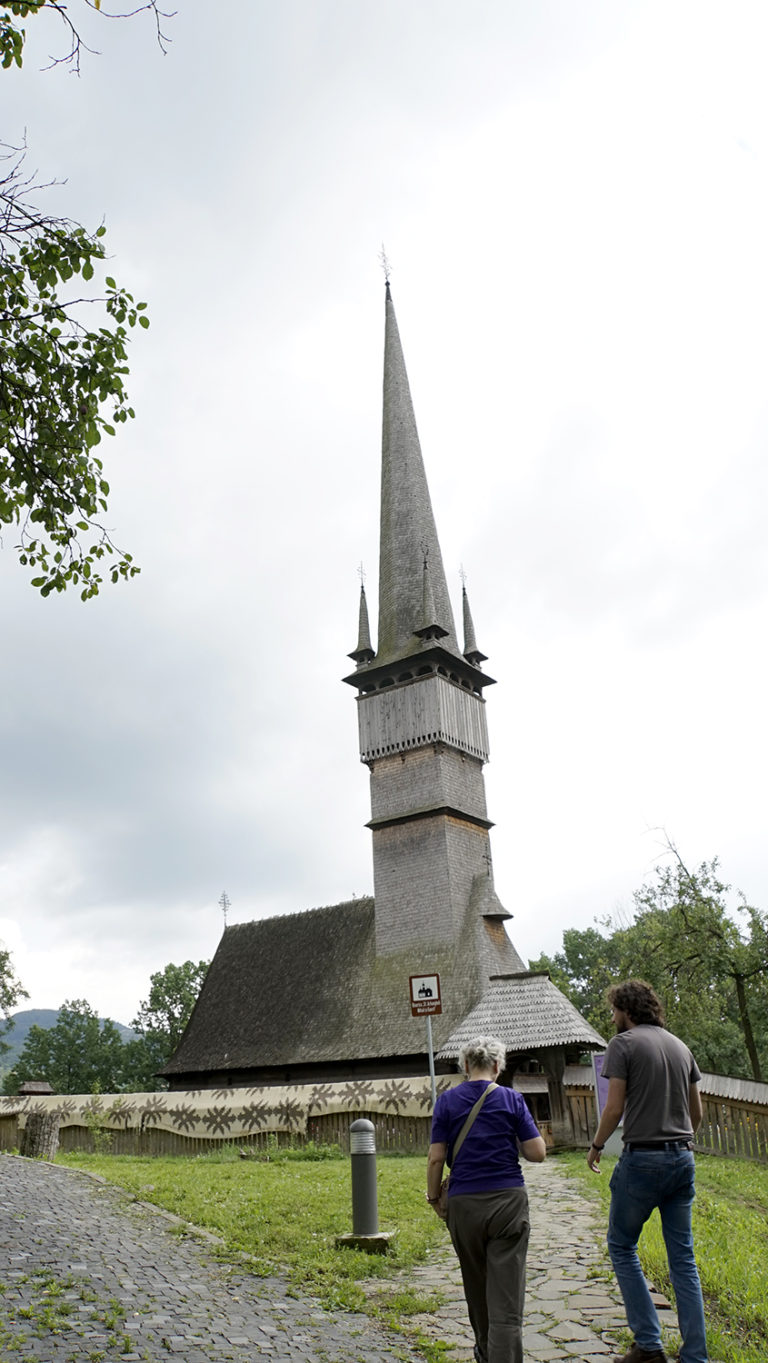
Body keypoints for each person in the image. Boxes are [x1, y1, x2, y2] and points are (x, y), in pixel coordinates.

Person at [587, 979, 708, 1363]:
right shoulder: (680, 1046)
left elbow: (614, 1107)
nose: (612, 1018)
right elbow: (698, 1113)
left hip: (642, 1161)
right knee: (683, 1260)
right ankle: (695, 1356)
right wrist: (680, 1142)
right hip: (682, 1158)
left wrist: (596, 1146)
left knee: (622, 1246)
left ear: (626, 1010)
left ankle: (649, 1345)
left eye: (613, 1011)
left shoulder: (622, 1044)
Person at [427, 1035, 546, 1363]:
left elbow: (436, 1158)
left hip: (464, 1205)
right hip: (508, 1203)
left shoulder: (447, 1102)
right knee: (506, 1303)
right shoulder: (511, 1099)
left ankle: (484, 1353)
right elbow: (537, 1153)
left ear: (465, 1066)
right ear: (497, 1066)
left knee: (477, 1289)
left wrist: (434, 1197)